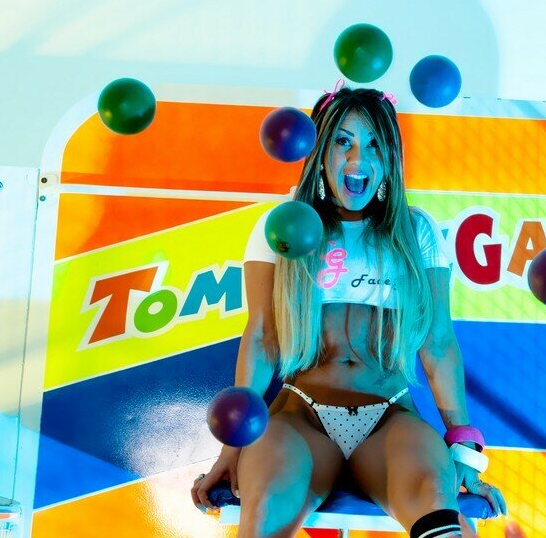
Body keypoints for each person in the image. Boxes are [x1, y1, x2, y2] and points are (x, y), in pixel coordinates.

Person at [191, 85, 506, 538]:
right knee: (265, 510)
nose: (359, 158)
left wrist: (464, 451)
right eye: (343, 141)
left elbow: (438, 344)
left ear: (390, 159)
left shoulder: (415, 232)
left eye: (374, 144)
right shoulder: (282, 225)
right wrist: (231, 449)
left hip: (390, 419)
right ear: (319, 150)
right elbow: (262, 337)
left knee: (437, 503)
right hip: (301, 417)